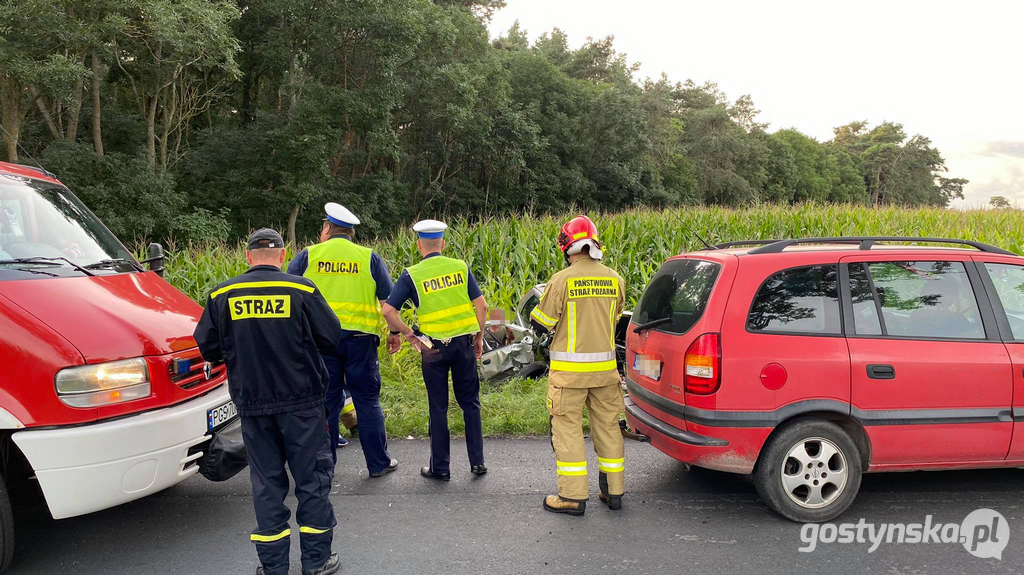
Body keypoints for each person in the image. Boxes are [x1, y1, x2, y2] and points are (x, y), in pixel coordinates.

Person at [193, 228, 341, 575]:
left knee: (267, 484)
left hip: (253, 404)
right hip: (302, 401)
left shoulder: (222, 294)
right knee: (312, 479)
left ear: (247, 257)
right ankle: (316, 561)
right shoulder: (301, 289)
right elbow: (331, 337)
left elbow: (208, 347)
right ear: (282, 254)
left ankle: (273, 567)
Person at [288, 203, 399, 477]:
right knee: (367, 400)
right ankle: (378, 464)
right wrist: (395, 334)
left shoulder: (307, 256)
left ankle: (325, 466)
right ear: (350, 233)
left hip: (319, 342)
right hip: (361, 340)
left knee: (325, 401)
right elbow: (389, 302)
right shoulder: (369, 257)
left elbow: (287, 296)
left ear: (327, 228)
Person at [529, 215, 627, 517]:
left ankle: (572, 498)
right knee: (609, 429)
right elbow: (616, 318)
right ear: (594, 243)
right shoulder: (615, 279)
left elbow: (541, 323)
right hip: (605, 373)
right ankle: (613, 491)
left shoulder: (562, 280)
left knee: (568, 431)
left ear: (566, 246)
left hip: (569, 376)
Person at [381, 219, 488, 480]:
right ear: (443, 243)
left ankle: (440, 468)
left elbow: (388, 311)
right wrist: (479, 337)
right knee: (470, 403)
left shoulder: (412, 274)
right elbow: (482, 306)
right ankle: (477, 462)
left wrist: (407, 334)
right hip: (463, 344)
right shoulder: (460, 267)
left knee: (437, 407)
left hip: (432, 349)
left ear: (419, 245)